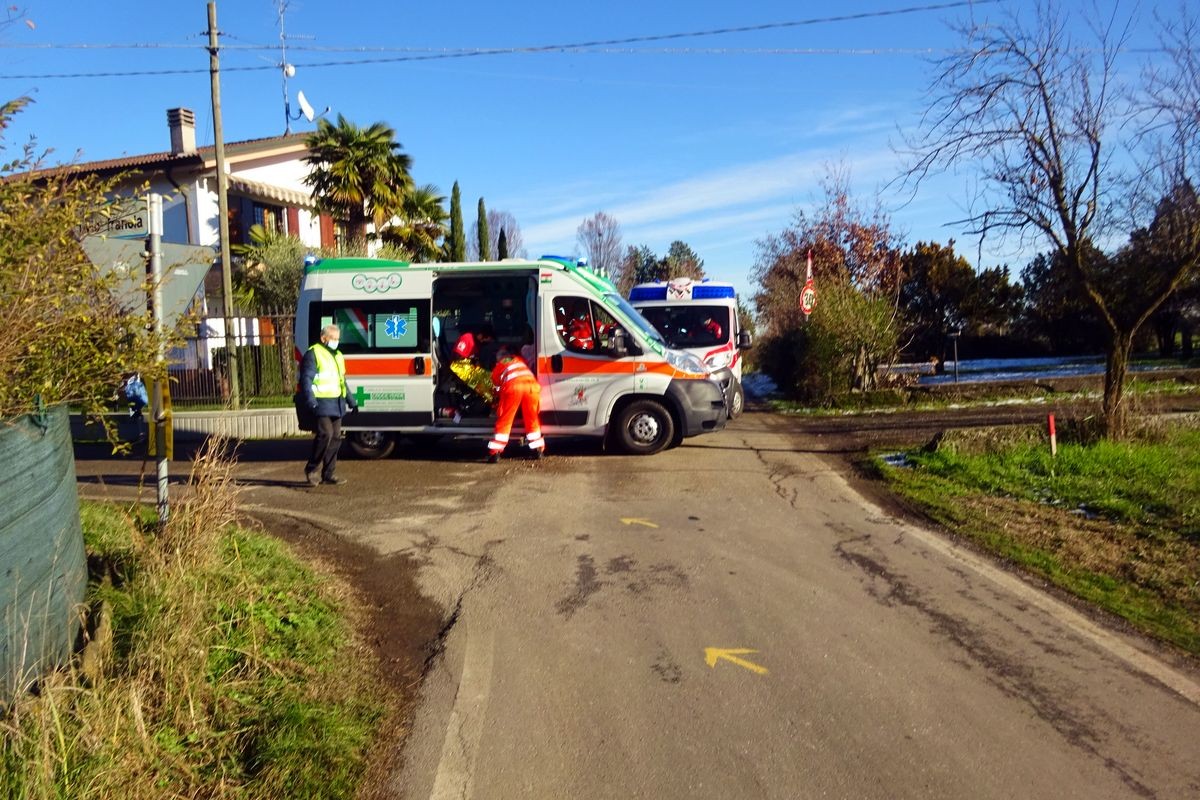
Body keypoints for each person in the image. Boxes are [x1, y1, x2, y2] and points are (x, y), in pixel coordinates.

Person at [299, 323, 357, 486]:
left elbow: (341, 381)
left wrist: (351, 401)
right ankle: (311, 469)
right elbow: (306, 379)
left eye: (338, 339)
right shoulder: (314, 353)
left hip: (337, 402)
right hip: (321, 402)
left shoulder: (337, 355)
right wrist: (310, 400)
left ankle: (329, 473)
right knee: (326, 435)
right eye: (333, 338)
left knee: (336, 438)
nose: (336, 342)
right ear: (323, 338)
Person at [487, 347, 545, 463]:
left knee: (505, 420)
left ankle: (495, 453)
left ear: (501, 358)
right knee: (532, 419)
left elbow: (494, 381)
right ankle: (538, 450)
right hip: (532, 388)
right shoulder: (520, 360)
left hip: (514, 389)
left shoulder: (502, 362)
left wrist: (496, 395)